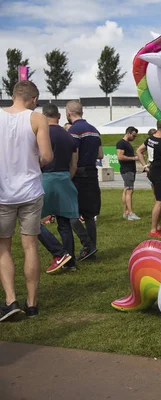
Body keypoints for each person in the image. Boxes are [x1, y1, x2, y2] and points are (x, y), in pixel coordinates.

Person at [0, 80, 52, 321]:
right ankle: (32, 304)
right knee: (30, 246)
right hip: (30, 191)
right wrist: (35, 163)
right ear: (33, 99)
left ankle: (11, 300)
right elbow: (47, 156)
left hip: (3, 193)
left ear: (13, 96)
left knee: (4, 248)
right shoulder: (37, 118)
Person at [37, 103, 80, 275]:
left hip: (45, 179)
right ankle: (70, 261)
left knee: (31, 222)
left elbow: (39, 158)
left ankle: (59, 252)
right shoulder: (69, 136)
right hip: (64, 179)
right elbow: (74, 165)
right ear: (59, 116)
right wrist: (65, 179)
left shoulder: (42, 133)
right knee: (64, 223)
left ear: (43, 116)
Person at [67, 100, 103, 261]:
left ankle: (87, 244)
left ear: (69, 113)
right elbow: (100, 155)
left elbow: (73, 157)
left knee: (71, 213)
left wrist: (69, 176)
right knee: (89, 215)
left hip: (79, 174)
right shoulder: (94, 130)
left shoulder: (73, 131)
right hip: (92, 174)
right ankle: (91, 251)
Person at [137, 121, 161, 238]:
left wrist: (144, 166)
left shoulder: (150, 139)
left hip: (151, 171)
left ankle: (158, 226)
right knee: (160, 201)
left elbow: (139, 151)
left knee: (158, 198)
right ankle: (153, 230)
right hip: (160, 173)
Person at [116, 126, 141, 221]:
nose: (134, 138)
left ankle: (126, 211)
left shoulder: (127, 143)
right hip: (127, 170)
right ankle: (130, 213)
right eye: (133, 136)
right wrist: (134, 158)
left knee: (126, 190)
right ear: (128, 133)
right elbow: (120, 157)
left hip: (129, 170)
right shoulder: (121, 143)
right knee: (129, 191)